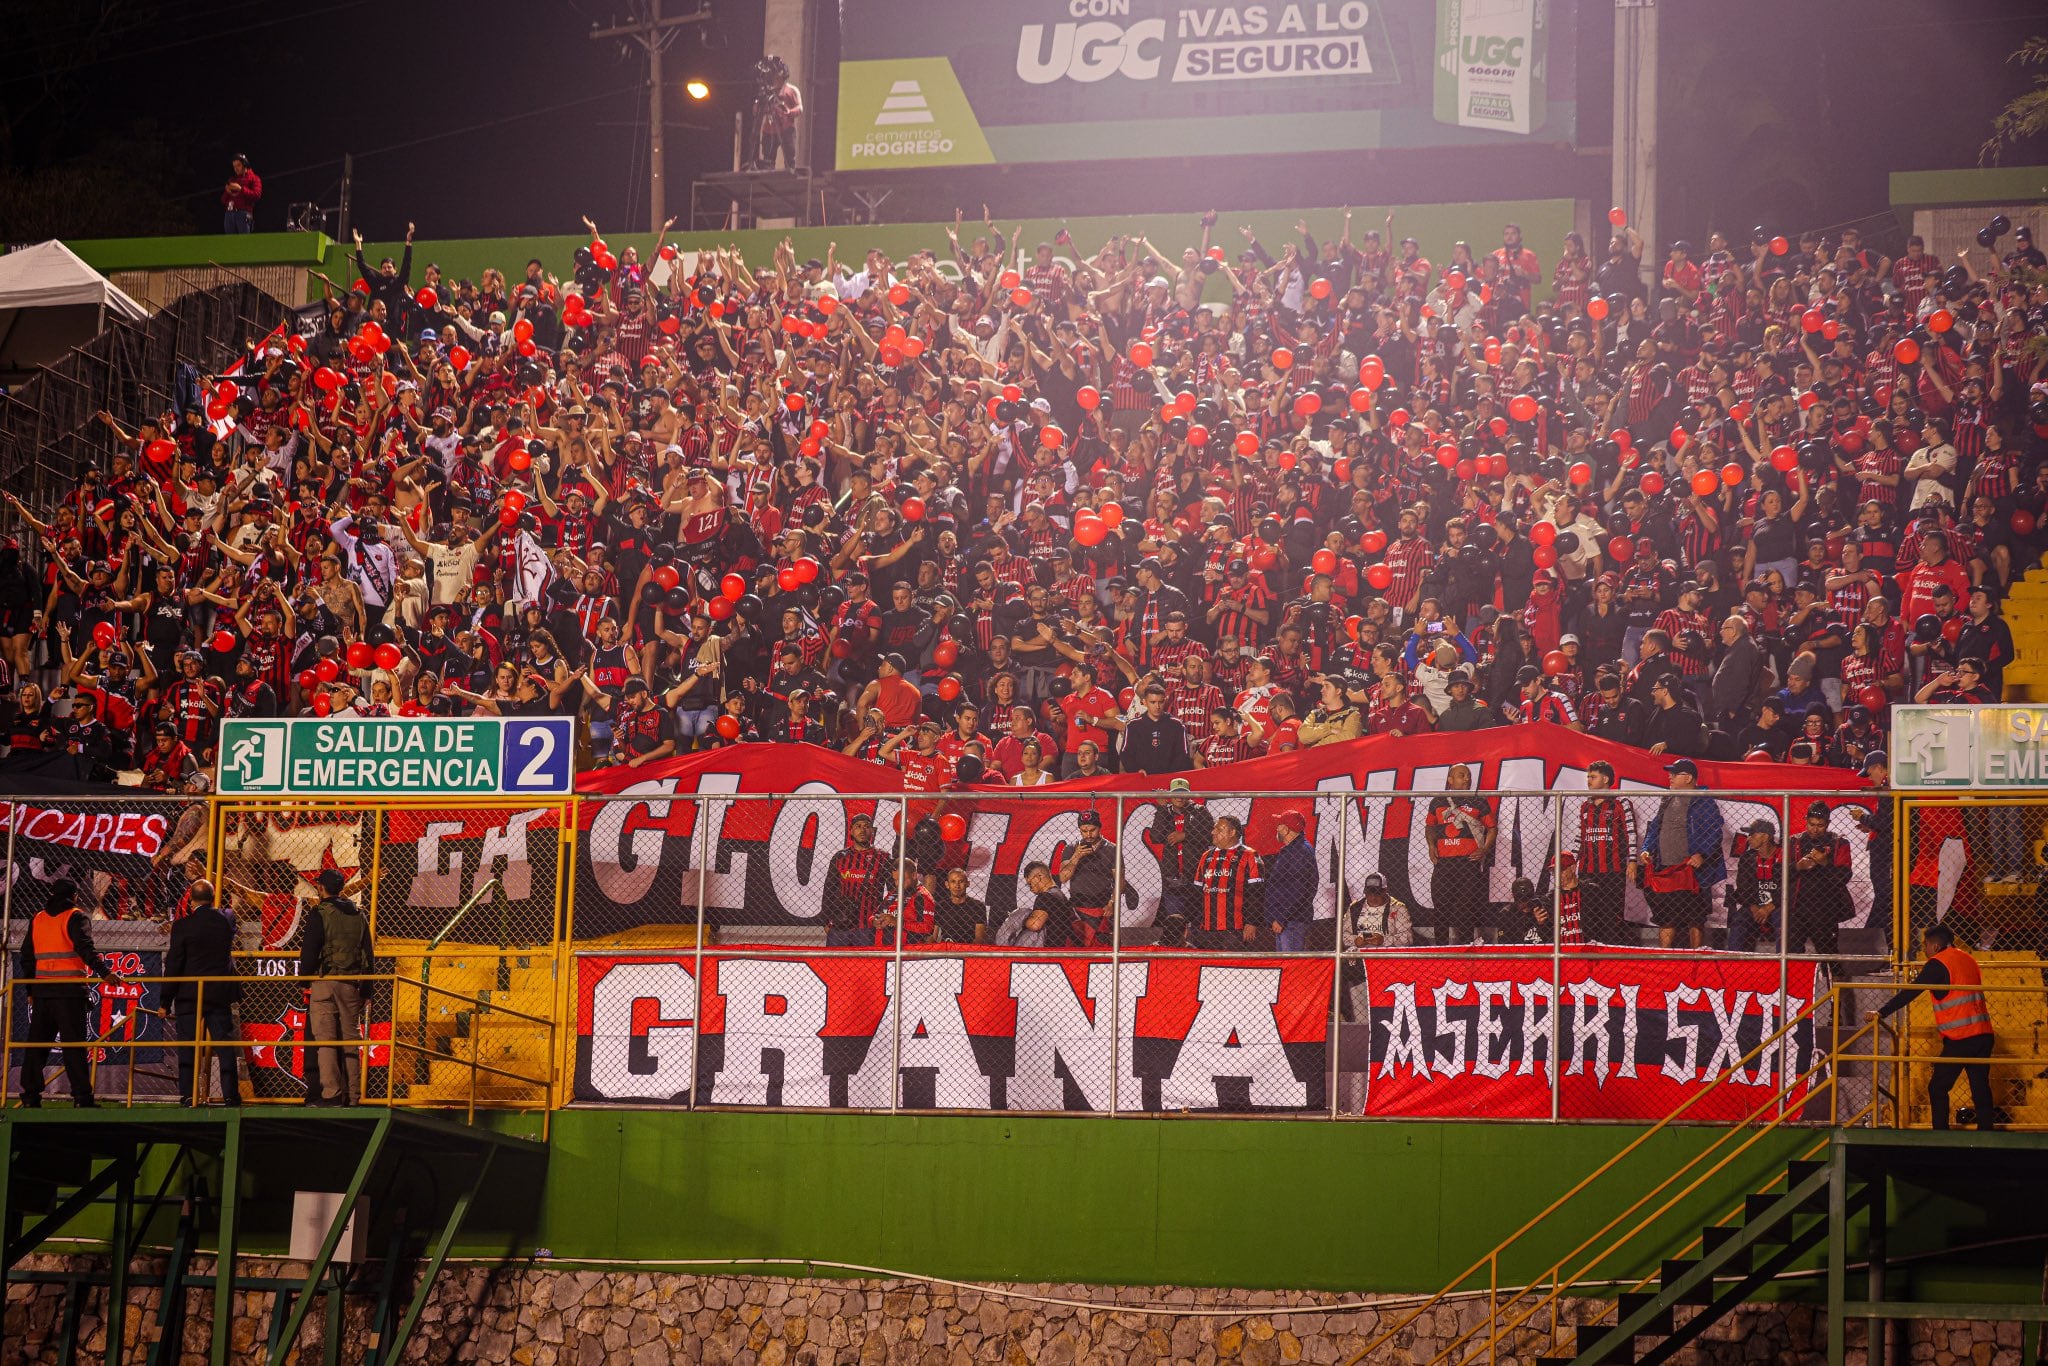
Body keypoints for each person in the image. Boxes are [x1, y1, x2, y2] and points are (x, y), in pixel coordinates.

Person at [13, 879, 121, 1107]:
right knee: (74, 1046)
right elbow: (84, 948)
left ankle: (30, 1097)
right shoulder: (76, 916)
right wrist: (105, 973)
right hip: (69, 992)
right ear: (74, 896)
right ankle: (82, 1097)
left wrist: (31, 990)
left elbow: (27, 957)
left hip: (43, 993)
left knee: (37, 1046)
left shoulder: (38, 918)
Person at [1878, 924, 1995, 1131]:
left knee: (1938, 1087)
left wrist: (1882, 1012)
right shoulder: (1968, 959)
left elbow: (1911, 991)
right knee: (1980, 1087)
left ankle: (1940, 1135)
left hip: (1961, 1038)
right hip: (1983, 1034)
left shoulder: (1938, 963)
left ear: (1935, 945)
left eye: (1925, 945)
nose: (1924, 949)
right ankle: (1987, 1133)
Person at [163, 879, 243, 1106]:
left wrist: (164, 1000)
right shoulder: (225, 920)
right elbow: (228, 913)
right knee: (224, 1045)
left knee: (188, 1045)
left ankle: (189, 1095)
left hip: (189, 993)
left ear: (190, 900)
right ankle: (230, 1096)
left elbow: (174, 964)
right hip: (218, 993)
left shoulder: (182, 926)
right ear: (213, 897)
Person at [298, 869, 372, 1105]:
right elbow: (368, 955)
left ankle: (332, 1094)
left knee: (326, 1042)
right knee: (351, 1041)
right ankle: (353, 1096)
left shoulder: (320, 913)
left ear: (321, 888)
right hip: (351, 984)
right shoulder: (359, 915)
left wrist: (304, 980)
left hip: (324, 983)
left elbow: (309, 951)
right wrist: (366, 990)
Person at [1635, 758, 1724, 950]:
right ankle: (1664, 958)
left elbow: (1714, 830)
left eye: (1675, 774)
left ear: (1689, 778)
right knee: (1667, 917)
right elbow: (1655, 827)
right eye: (1671, 773)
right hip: (1667, 868)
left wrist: (1702, 854)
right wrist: (1647, 849)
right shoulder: (1667, 798)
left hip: (1691, 870)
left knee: (1695, 918)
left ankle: (1696, 960)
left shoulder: (1704, 801)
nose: (1670, 777)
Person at [1424, 764, 1495, 945]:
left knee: (1466, 910)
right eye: (1461, 775)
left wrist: (1485, 849)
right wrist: (1431, 845)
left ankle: (1465, 950)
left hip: (1468, 864)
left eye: (1468, 776)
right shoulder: (1438, 801)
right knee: (1440, 909)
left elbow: (1492, 828)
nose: (1466, 779)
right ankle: (1439, 951)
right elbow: (1430, 826)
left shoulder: (1478, 801)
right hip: (1444, 864)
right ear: (1450, 780)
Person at [1573, 761, 1637, 946]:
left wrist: (1632, 860)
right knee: (1588, 915)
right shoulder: (1585, 806)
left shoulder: (1621, 803)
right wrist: (1571, 861)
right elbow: (1581, 836)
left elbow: (1631, 833)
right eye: (1588, 777)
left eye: (1593, 777)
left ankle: (1611, 956)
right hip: (1587, 870)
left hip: (1613, 871)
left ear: (1606, 779)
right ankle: (1589, 956)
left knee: (1611, 916)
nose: (1589, 781)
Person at [1788, 800, 1852, 956]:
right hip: (1797, 907)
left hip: (1826, 909)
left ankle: (1834, 978)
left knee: (1827, 952)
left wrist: (1825, 863)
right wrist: (1798, 866)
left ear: (1828, 823)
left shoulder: (1839, 843)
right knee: (1791, 951)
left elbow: (1844, 877)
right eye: (1811, 824)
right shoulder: (1794, 841)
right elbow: (1778, 872)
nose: (1815, 829)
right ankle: (1793, 980)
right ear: (1805, 820)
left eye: (1820, 825)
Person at [1151, 777, 1213, 929]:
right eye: (1176, 793)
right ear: (1170, 795)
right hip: (1173, 878)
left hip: (1196, 877)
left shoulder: (1199, 811)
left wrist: (1186, 835)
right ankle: (1178, 949)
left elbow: (1211, 835)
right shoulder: (1165, 812)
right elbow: (1156, 837)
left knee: (1199, 922)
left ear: (1189, 794)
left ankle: (1196, 948)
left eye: (1183, 793)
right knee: (1175, 923)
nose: (1179, 797)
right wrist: (1161, 808)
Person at [1193, 814, 1263, 949]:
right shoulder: (1206, 856)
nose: (1213, 832)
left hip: (1235, 929)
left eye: (1219, 829)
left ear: (1232, 832)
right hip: (1206, 927)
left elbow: (1257, 892)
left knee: (1232, 966)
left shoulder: (1249, 855)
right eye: (1214, 829)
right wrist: (1193, 922)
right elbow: (1196, 892)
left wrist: (1252, 922)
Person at [823, 812, 891, 947]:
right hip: (840, 925)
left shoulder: (883, 858)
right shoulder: (840, 857)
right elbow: (828, 891)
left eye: (867, 826)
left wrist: (884, 917)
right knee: (835, 965)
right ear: (852, 831)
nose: (862, 830)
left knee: (866, 966)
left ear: (872, 831)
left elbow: (892, 891)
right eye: (858, 826)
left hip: (868, 926)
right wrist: (825, 921)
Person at [1059, 809, 1122, 946]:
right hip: (1077, 907)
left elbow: (1120, 881)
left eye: (1092, 830)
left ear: (1099, 827)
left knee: (1104, 948)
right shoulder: (1071, 849)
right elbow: (1063, 877)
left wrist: (1112, 903)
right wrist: (1076, 856)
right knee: (1077, 947)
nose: (1088, 834)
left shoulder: (1112, 850)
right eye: (1084, 831)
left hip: (1103, 907)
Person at [1726, 818, 1782, 954]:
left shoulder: (1783, 855)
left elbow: (1789, 887)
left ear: (1765, 836)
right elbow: (1743, 889)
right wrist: (1754, 907)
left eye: (1752, 834)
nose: (1748, 838)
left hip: (1778, 905)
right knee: (1739, 921)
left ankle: (1783, 965)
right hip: (1754, 907)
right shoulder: (1747, 857)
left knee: (1783, 923)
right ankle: (1734, 965)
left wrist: (1769, 907)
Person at [1264, 810, 1317, 951]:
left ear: (1286, 829)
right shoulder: (1294, 850)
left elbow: (1298, 890)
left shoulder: (1299, 851)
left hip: (1291, 922)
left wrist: (1281, 918)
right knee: (1286, 967)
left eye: (1279, 825)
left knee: (1291, 967)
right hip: (1289, 920)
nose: (1277, 828)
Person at [222, 154, 261, 233]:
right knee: (229, 243)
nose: (236, 169)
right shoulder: (232, 180)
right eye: (234, 166)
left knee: (244, 242)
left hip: (244, 214)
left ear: (245, 164)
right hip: (229, 214)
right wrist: (227, 191)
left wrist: (240, 189)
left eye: (238, 165)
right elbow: (223, 200)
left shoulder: (254, 178)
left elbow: (257, 195)